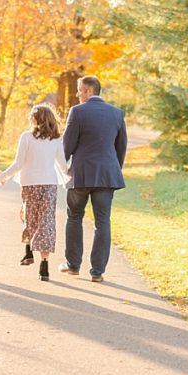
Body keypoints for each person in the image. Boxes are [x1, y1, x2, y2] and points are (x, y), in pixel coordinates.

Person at [59, 75, 127, 283]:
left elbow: (67, 146)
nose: (77, 94)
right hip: (107, 175)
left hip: (81, 175)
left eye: (79, 90)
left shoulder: (77, 112)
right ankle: (97, 271)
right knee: (102, 222)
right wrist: (112, 169)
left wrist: (65, 167)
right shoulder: (116, 113)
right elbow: (121, 147)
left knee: (74, 216)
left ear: (88, 91)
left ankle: (73, 266)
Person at [0, 104, 69, 282]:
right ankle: (44, 264)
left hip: (30, 184)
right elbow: (64, 166)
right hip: (49, 185)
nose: (29, 118)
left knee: (30, 217)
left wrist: (3, 176)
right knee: (46, 222)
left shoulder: (26, 137)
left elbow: (19, 163)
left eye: (31, 116)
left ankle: (28, 250)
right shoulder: (56, 140)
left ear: (37, 119)